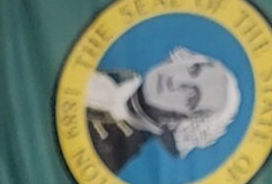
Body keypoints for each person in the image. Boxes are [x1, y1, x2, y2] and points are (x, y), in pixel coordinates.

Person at [85, 46, 242, 174]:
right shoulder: (118, 69)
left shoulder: (111, 153)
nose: (176, 80)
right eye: (193, 70)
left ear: (184, 120)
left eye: (191, 95)